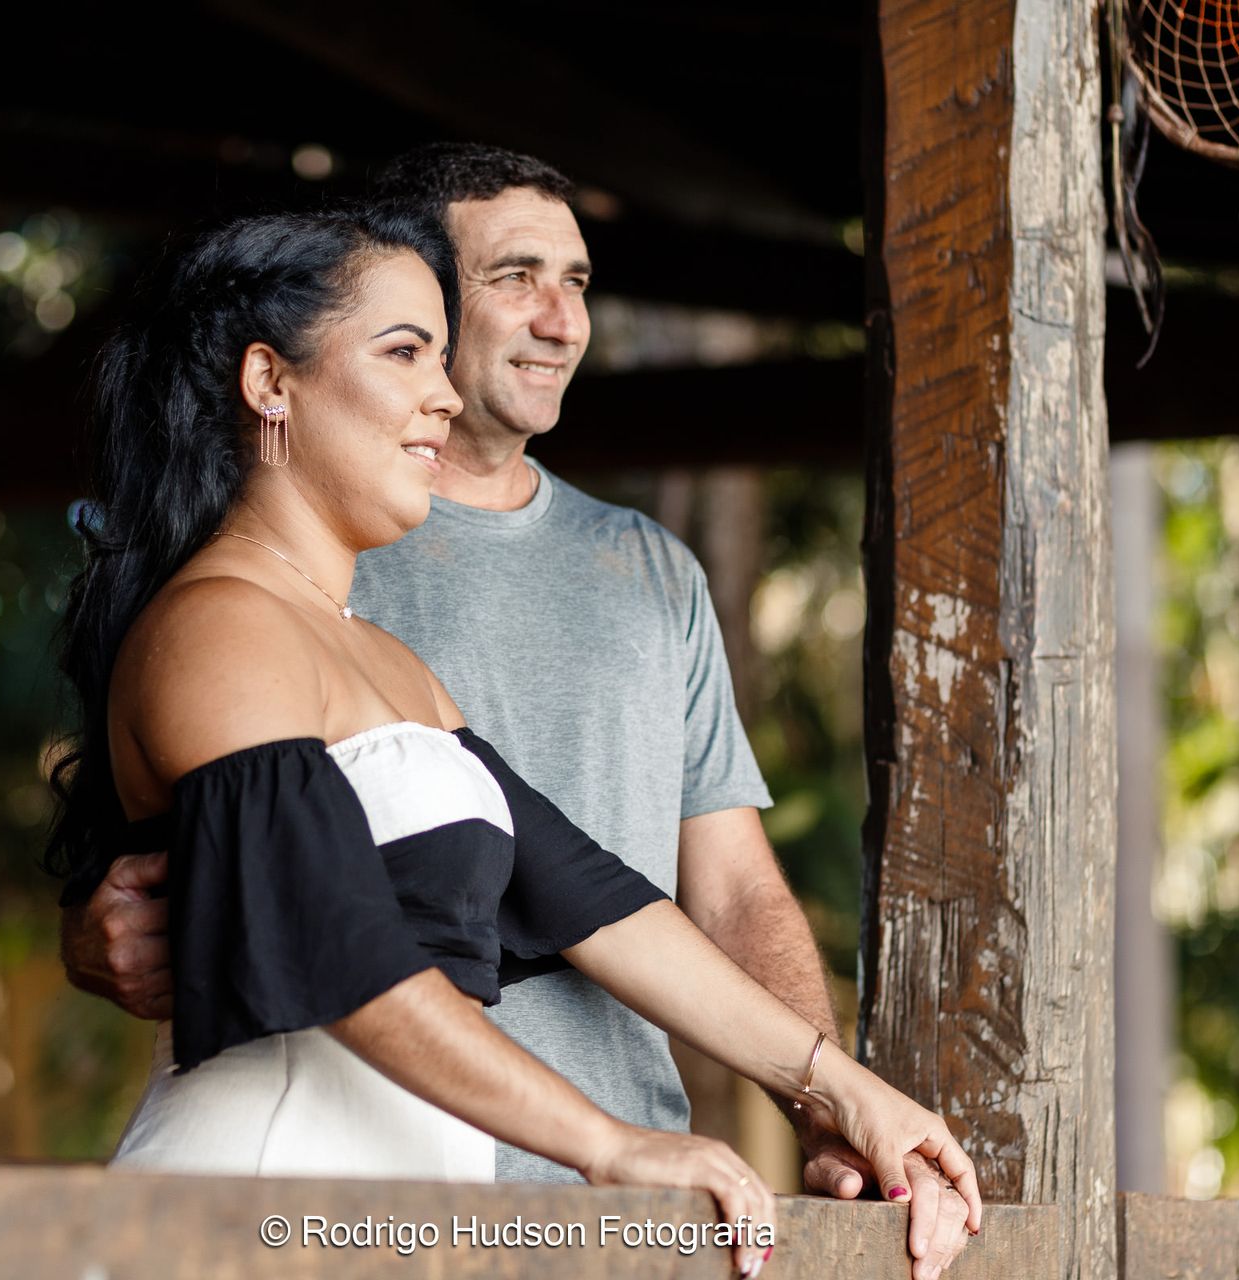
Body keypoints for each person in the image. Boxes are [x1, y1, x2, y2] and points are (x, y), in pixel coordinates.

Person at [59, 150, 976, 1279]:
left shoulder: (387, 659)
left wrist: (849, 1090)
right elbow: (338, 945)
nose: (439, 394)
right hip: (253, 1218)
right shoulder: (216, 627)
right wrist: (609, 1142)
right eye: (405, 352)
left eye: (440, 358)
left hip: (404, 1232)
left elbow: (596, 900)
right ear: (270, 383)